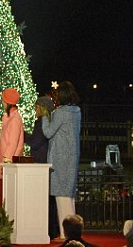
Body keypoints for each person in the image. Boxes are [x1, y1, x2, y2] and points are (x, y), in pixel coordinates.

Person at [42, 81, 82, 238]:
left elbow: (48, 132)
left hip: (60, 157)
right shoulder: (76, 111)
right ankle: (74, 230)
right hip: (72, 156)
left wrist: (46, 116)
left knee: (61, 195)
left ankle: (66, 233)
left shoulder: (60, 113)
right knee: (69, 195)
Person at [25, 95, 57, 238]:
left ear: (42, 108)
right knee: (49, 198)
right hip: (45, 162)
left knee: (44, 199)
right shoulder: (51, 121)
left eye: (36, 107)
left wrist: (23, 134)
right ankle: (52, 229)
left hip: (40, 163)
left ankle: (48, 229)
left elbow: (35, 142)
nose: (34, 110)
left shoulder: (41, 123)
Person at [0, 88, 23, 175]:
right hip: (7, 160)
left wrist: (6, 160)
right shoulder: (10, 117)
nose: (2, 102)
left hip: (9, 162)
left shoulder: (14, 119)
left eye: (3, 100)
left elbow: (13, 142)